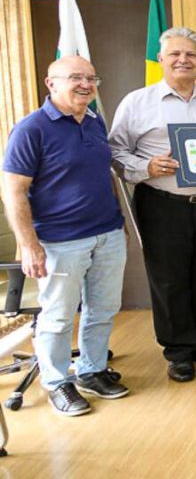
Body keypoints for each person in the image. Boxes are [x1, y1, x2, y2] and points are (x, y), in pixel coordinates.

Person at [110, 27, 196, 383]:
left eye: (190, 55)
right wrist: (147, 167)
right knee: (169, 279)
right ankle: (178, 351)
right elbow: (114, 152)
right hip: (163, 203)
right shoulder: (137, 102)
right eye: (175, 54)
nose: (183, 60)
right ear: (161, 59)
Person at [1, 56, 129, 415]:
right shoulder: (32, 129)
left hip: (107, 234)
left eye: (91, 77)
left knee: (103, 310)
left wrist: (117, 225)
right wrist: (29, 245)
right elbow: (13, 191)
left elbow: (104, 176)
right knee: (58, 316)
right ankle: (57, 382)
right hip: (59, 242)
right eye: (75, 77)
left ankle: (91, 370)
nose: (85, 84)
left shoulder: (93, 121)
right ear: (51, 83)